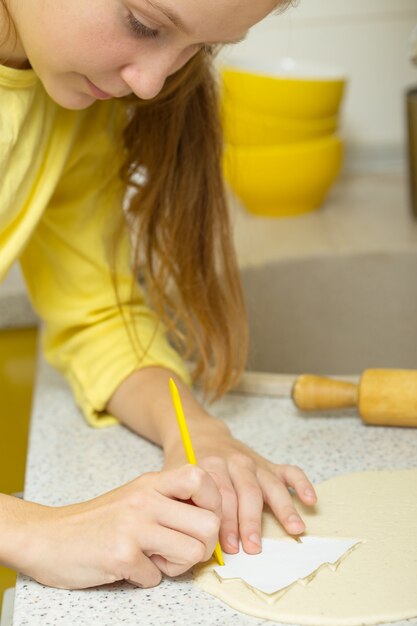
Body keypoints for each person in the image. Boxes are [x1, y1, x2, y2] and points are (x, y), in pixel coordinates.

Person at [0, 0, 317, 591]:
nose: (150, 86)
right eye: (143, 24)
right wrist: (34, 531)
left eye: (198, 48)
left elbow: (98, 316)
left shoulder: (69, 95)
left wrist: (193, 429)